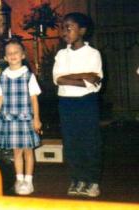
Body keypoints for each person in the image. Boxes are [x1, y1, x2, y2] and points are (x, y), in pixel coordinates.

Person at [53, 12, 103, 197]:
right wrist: (84, 76)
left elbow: (95, 82)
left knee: (89, 141)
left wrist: (71, 77)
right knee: (71, 142)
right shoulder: (60, 54)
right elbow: (58, 79)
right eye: (62, 27)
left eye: (69, 27)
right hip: (66, 103)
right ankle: (77, 179)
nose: (64, 31)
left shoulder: (93, 54)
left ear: (82, 30)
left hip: (86, 103)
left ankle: (92, 180)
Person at [0, 39, 42, 195]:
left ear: (23, 55)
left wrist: (36, 118)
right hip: (10, 120)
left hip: (26, 120)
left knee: (28, 151)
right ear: (5, 57)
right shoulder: (2, 77)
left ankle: (28, 180)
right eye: (9, 53)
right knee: (16, 151)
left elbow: (34, 99)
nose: (12, 55)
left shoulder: (28, 76)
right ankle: (19, 179)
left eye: (16, 52)